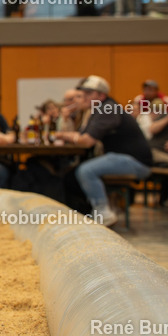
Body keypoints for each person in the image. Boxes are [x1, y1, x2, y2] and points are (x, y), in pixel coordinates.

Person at [54, 75, 152, 227]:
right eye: (83, 93)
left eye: (88, 93)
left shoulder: (108, 109)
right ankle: (88, 211)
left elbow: (87, 140)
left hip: (136, 162)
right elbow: (82, 136)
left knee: (86, 170)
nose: (84, 97)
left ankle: (103, 213)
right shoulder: (98, 109)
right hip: (122, 158)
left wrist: (62, 135)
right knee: (72, 174)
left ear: (101, 95)